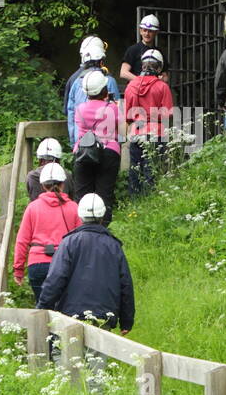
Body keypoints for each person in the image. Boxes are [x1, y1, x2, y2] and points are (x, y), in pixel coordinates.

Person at [37, 193, 135, 335]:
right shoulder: (114, 246)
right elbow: (125, 283)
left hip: (70, 316)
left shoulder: (68, 243)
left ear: (80, 215)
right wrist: (126, 320)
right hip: (103, 317)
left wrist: (43, 308)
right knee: (97, 357)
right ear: (103, 216)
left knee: (68, 356)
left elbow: (55, 278)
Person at [13, 163, 81, 303]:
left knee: (43, 308)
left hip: (37, 264)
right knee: (64, 310)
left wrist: (18, 270)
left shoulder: (32, 208)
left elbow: (22, 241)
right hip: (64, 263)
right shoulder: (74, 208)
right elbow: (80, 241)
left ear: (43, 186)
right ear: (63, 184)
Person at [73, 69, 121, 225]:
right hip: (108, 151)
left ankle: (80, 227)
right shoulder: (112, 108)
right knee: (104, 194)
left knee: (81, 194)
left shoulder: (80, 109)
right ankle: (103, 230)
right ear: (104, 89)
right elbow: (121, 131)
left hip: (83, 151)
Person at [124, 48, 174, 195]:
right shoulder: (162, 87)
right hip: (155, 134)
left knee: (135, 172)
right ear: (158, 67)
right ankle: (150, 203)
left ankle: (134, 203)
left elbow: (127, 115)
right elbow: (168, 113)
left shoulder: (131, 86)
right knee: (151, 173)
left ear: (142, 66)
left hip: (136, 133)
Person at [66, 36, 119, 146]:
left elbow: (71, 113)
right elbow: (118, 114)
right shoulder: (109, 81)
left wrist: (73, 143)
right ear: (101, 61)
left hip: (81, 143)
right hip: (106, 144)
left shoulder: (76, 82)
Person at [25, 138, 74, 202]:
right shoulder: (67, 176)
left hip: (37, 210)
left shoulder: (32, 176)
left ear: (40, 159)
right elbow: (72, 198)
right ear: (58, 159)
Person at [120, 14, 162, 84]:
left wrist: (157, 82)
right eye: (145, 30)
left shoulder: (159, 52)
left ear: (156, 32)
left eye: (150, 31)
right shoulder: (133, 50)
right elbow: (123, 72)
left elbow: (165, 76)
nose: (147, 34)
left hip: (153, 91)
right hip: (136, 91)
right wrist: (142, 82)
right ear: (140, 31)